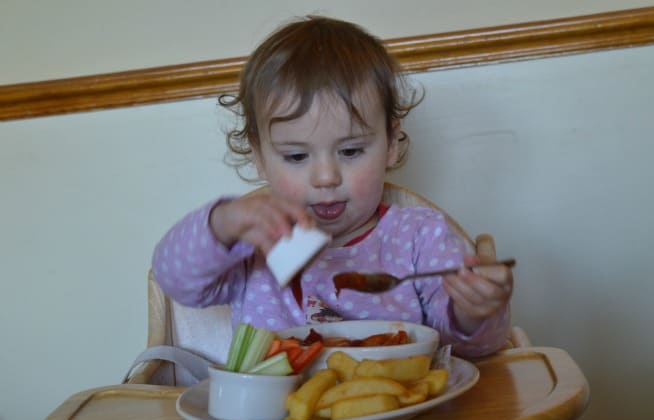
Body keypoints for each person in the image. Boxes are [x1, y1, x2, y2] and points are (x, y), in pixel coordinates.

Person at [152, 16, 513, 358]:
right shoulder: (249, 247)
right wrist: (222, 224)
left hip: (401, 418)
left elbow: (473, 350)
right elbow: (175, 280)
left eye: (351, 151)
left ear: (391, 143)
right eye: (296, 157)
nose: (326, 177)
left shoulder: (421, 237)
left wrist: (473, 313)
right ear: (259, 156)